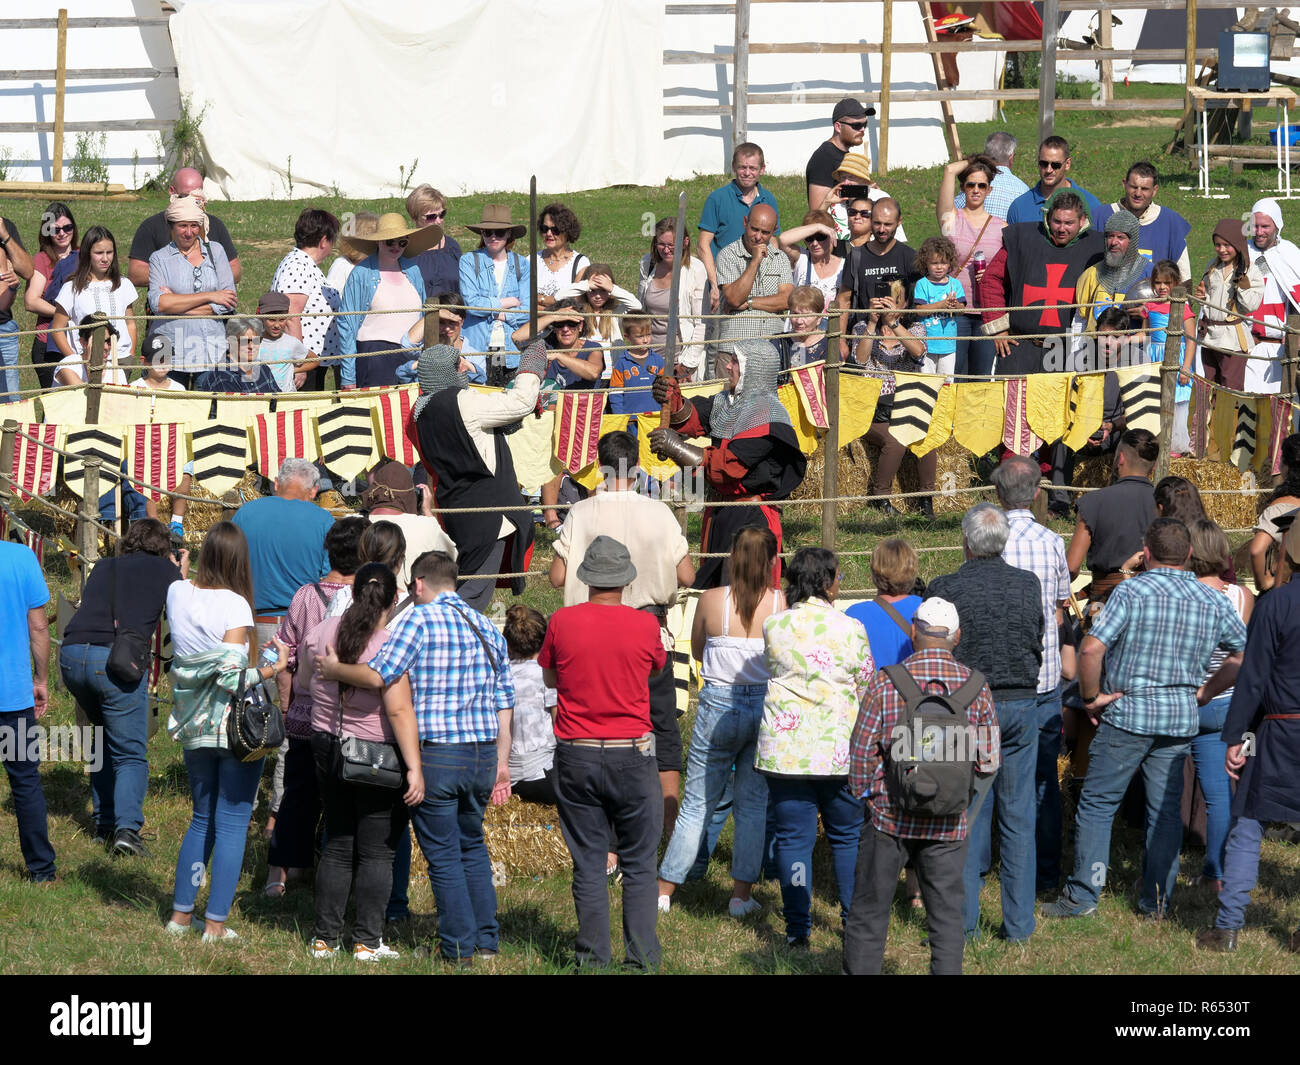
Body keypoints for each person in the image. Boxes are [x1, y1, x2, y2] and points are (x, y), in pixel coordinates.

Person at [1042, 518, 1247, 921]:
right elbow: (1241, 655)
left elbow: (1090, 650)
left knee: (1099, 804)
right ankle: (1156, 902)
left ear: (1146, 553)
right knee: (1165, 812)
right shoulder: (1213, 599)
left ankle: (1084, 894)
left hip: (1128, 714)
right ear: (1189, 554)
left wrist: (1090, 698)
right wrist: (1205, 692)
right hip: (1178, 718)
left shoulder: (1132, 592)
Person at [317, 549, 513, 966]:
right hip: (481, 754)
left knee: (442, 855)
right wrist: (502, 761)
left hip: (440, 753)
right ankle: (486, 941)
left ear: (419, 584)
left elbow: (378, 674)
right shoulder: (487, 626)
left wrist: (335, 672)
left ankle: (456, 947)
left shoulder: (418, 621)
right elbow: (505, 700)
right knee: (472, 847)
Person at [843, 597, 1000, 974]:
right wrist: (962, 802)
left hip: (888, 820)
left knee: (868, 913)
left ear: (914, 632)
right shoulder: (977, 688)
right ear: (957, 637)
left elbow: (862, 752)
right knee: (946, 920)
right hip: (948, 824)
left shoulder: (886, 681)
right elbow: (990, 760)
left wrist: (870, 798)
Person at [551, 430, 694, 838]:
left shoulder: (581, 513)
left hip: (589, 632)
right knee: (660, 721)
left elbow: (558, 575)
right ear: (636, 470)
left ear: (600, 465)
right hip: (646, 630)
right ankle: (667, 822)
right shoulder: (658, 513)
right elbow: (686, 574)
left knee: (597, 719)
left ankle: (604, 829)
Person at [539, 535, 667, 970]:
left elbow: (552, 678)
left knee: (589, 861)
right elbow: (655, 667)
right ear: (625, 581)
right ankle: (643, 958)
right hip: (632, 751)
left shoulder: (562, 621)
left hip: (577, 751)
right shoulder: (645, 625)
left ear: (587, 578)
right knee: (639, 861)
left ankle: (592, 958)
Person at [926, 503, 1042, 942]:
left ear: (966, 541)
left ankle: (963, 924)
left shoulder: (946, 587)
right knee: (1018, 816)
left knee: (966, 815)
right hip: (1019, 703)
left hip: (967, 705)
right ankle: (1019, 926)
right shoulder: (1028, 585)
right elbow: (1037, 638)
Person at [166, 521, 285, 943]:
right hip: (234, 730)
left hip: (193, 723)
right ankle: (215, 922)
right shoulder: (236, 605)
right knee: (232, 824)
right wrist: (273, 666)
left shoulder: (177, 593)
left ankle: (181, 917)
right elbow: (234, 678)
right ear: (239, 561)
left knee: (201, 820)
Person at [300, 562, 425, 962]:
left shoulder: (322, 632)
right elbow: (400, 711)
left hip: (326, 744)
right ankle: (368, 940)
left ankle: (324, 938)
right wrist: (415, 767)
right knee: (377, 851)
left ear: (353, 595)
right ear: (393, 600)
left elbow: (304, 682)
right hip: (375, 754)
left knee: (337, 842)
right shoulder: (390, 643)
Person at [658, 527, 782, 918]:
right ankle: (740, 895)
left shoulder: (712, 600)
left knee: (696, 803)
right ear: (772, 563)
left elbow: (697, 648)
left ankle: (664, 890)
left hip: (717, 704)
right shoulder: (781, 603)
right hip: (763, 704)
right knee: (751, 805)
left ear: (732, 557)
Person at [755, 547, 871, 948]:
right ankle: (852, 921)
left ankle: (796, 927)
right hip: (839, 749)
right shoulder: (851, 628)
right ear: (827, 581)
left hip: (786, 751)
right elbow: (864, 684)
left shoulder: (775, 625)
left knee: (793, 839)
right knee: (846, 837)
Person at [1195, 522, 1300, 952]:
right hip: (1280, 722)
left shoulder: (1277, 603)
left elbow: (1253, 677)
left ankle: (1228, 927)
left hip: (1279, 730)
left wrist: (1235, 736)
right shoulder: (1273, 603)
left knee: (1247, 823)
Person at [59, 518, 184, 855]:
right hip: (114, 660)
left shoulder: (104, 565)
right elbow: (184, 609)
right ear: (163, 547)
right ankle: (127, 831)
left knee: (99, 741)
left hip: (72, 654)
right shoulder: (166, 572)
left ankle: (104, 825)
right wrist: (180, 570)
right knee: (129, 752)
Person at [262, 514, 366, 898]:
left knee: (296, 796)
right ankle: (344, 879)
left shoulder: (306, 595)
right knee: (349, 802)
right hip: (355, 718)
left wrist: (288, 706)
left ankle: (279, 874)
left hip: (307, 716)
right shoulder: (369, 599)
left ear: (329, 551)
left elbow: (285, 658)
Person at [650, 339, 807, 589]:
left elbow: (729, 468)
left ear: (754, 369)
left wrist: (676, 447)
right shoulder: (727, 402)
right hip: (720, 512)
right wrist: (672, 398)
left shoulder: (767, 415)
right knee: (714, 591)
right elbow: (692, 418)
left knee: (750, 594)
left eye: (736, 362)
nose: (728, 367)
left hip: (752, 520)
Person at [412, 342, 545, 612]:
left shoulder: (419, 411)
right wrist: (531, 366)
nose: (465, 366)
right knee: (471, 596)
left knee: (461, 584)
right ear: (444, 372)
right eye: (458, 363)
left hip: (456, 509)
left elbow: (472, 433)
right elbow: (520, 402)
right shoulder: (464, 401)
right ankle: (449, 640)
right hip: (487, 514)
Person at [993, 455, 1072, 894]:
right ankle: (1044, 873)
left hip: (997, 677)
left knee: (985, 772)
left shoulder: (987, 537)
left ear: (998, 495)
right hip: (1042, 678)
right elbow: (1061, 608)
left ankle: (986, 861)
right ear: (1038, 494)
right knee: (1043, 778)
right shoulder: (1052, 542)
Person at [1185, 518, 1253, 895]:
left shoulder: (1182, 594)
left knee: (1163, 788)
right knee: (1219, 795)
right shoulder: (1242, 597)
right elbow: (1237, 651)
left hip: (1187, 698)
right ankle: (1216, 872)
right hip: (1225, 700)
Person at [978, 188, 1105, 376]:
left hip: (1070, 352)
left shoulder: (1097, 248)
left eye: (1069, 223)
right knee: (1015, 405)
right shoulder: (1023, 238)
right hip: (1019, 348)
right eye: (1057, 221)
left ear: (1082, 220)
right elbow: (991, 280)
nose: (1062, 229)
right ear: (1048, 217)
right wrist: (998, 329)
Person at [850, 279, 936, 516]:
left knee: (925, 436)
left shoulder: (915, 328)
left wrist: (894, 323)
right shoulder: (860, 327)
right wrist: (872, 322)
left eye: (895, 300)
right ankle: (880, 498)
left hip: (905, 405)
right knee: (895, 440)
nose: (889, 305)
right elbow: (860, 361)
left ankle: (926, 498)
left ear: (906, 303)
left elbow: (919, 353)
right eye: (884, 299)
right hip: (872, 409)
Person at [231, 457, 334, 653]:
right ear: (314, 490)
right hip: (301, 627)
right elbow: (329, 580)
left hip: (250, 624)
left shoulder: (245, 513)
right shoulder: (324, 520)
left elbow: (226, 565)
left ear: (276, 484)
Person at [0, 537, 56, 885]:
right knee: (24, 780)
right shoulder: (21, 557)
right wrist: (42, 679)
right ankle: (41, 870)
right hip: (12, 692)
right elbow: (38, 626)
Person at [334, 213, 437, 390]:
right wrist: (348, 377)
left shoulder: (413, 270)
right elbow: (347, 324)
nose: (396, 246)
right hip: (374, 357)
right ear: (378, 241)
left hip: (411, 356)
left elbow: (422, 315)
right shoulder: (361, 273)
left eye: (402, 242)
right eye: (390, 241)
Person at [145, 196, 237, 388]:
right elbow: (159, 304)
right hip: (170, 349)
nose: (189, 232)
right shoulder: (159, 259)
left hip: (210, 350)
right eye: (182, 226)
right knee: (169, 408)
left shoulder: (216, 251)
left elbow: (228, 301)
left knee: (208, 409)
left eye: (194, 226)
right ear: (172, 226)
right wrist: (210, 295)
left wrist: (176, 304)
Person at [1065, 428, 1159, 595]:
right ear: (1155, 465)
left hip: (1105, 604)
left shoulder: (1093, 502)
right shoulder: (1167, 503)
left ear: (1120, 458)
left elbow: (1071, 568)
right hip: (1155, 605)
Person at [938, 153, 1006, 377]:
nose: (976, 190)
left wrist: (991, 274)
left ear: (989, 190)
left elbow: (1007, 270)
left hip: (987, 312)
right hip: (955, 310)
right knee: (953, 375)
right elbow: (949, 170)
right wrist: (981, 162)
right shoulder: (952, 221)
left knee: (981, 377)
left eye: (982, 185)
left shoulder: (1002, 227)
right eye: (971, 184)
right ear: (963, 188)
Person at [698, 142, 780, 325]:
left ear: (762, 170)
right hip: (725, 279)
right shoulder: (717, 198)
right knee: (718, 339)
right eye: (743, 167)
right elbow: (703, 245)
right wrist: (714, 284)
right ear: (734, 167)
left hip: (757, 280)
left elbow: (773, 241)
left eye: (753, 168)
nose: (747, 173)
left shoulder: (769, 200)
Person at [128, 167, 241, 287]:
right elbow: (136, 274)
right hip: (170, 302)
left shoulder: (215, 225)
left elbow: (235, 270)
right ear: (172, 192)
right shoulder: (151, 226)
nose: (191, 202)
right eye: (186, 196)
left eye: (197, 198)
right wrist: (183, 276)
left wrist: (203, 278)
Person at [49, 226, 139, 375]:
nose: (105, 258)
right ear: (87, 254)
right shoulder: (71, 288)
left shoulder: (123, 284)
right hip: (87, 361)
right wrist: (74, 359)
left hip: (120, 360)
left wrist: (131, 353)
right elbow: (57, 329)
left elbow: (130, 323)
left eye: (109, 252)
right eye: (99, 253)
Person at [458, 204, 531, 384]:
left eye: (499, 233)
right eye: (487, 232)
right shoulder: (468, 261)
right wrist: (506, 302)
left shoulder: (522, 264)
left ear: (508, 234)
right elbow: (471, 304)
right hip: (476, 348)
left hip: (511, 347)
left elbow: (528, 310)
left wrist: (501, 313)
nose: (493, 237)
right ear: (481, 233)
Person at [269, 207, 341, 390]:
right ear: (324, 240)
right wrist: (299, 364)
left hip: (313, 360)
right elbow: (291, 316)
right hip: (305, 363)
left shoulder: (303, 264)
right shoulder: (298, 267)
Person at [836, 197, 915, 363]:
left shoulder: (909, 256)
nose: (881, 229)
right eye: (877, 223)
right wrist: (841, 339)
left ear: (899, 222)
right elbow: (843, 300)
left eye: (888, 224)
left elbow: (916, 301)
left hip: (899, 339)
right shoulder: (856, 256)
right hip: (864, 334)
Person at [358, 460, 457, 588]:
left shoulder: (353, 524)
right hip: (410, 603)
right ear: (410, 496)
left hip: (361, 601)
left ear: (373, 492)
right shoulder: (426, 526)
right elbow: (450, 558)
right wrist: (427, 512)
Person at [714, 204, 794, 359]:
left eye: (765, 232)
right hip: (733, 350)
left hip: (771, 349)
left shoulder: (780, 258)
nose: (758, 237)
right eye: (754, 229)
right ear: (745, 222)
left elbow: (787, 300)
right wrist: (755, 261)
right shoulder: (727, 255)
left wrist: (749, 302)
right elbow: (734, 298)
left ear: (774, 231)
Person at [1194, 219, 1264, 394]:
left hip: (1232, 340)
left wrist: (1241, 283)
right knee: (1209, 389)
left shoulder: (1251, 270)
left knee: (1231, 392)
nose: (1222, 249)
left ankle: (1231, 423)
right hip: (1209, 336)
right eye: (1218, 245)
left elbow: (1250, 305)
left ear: (1237, 244)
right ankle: (1211, 422)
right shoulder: (1213, 266)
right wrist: (1202, 296)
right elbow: (1210, 298)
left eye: (1227, 245)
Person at [1093, 161, 1193, 280]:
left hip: (1153, 297)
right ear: (1124, 184)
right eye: (1134, 187)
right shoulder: (1100, 217)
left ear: (1154, 190)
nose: (1138, 193)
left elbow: (1183, 275)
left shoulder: (1170, 223)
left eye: (1144, 189)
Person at [637, 217, 708, 381]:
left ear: (685, 242)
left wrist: (686, 365)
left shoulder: (696, 269)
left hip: (680, 360)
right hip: (649, 358)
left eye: (671, 245)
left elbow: (702, 323)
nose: (666, 250)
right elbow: (640, 309)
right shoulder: (647, 263)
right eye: (661, 244)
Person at [1243, 198, 1300, 394]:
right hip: (1247, 347)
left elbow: (1297, 301)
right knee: (1246, 411)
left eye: (1265, 226)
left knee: (1283, 412)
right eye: (1255, 226)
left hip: (1281, 349)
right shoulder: (1241, 253)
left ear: (1277, 225)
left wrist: (1294, 335)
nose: (1259, 232)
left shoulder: (1290, 255)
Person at [502, 604, 557, 804]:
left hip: (506, 777)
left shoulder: (500, 676)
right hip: (542, 773)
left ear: (508, 643)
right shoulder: (547, 675)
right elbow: (557, 719)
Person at [23, 201, 78, 389]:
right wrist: (64, 314)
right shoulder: (42, 260)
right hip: (48, 344)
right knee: (54, 405)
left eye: (67, 227)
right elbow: (31, 301)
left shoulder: (84, 256)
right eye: (56, 230)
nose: (62, 233)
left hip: (79, 343)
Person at [1071, 209, 1153, 331]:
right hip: (1093, 347)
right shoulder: (1091, 274)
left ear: (1132, 241)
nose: (1114, 242)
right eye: (1110, 236)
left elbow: (1170, 318)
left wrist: (1150, 315)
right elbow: (1080, 321)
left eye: (1120, 237)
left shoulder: (1152, 274)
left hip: (1133, 348)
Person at [1145, 260, 1197, 454]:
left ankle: (1176, 447)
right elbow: (1144, 334)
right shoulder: (1149, 306)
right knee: (1157, 400)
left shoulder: (1183, 306)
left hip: (1178, 357)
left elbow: (1191, 340)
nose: (1162, 287)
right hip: (1155, 357)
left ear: (1176, 283)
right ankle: (1159, 444)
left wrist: (1186, 368)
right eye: (1158, 283)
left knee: (1176, 402)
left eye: (1167, 283)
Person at [1004, 135, 1101, 225]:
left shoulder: (1090, 205)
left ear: (1067, 164)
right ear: (1038, 162)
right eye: (1044, 163)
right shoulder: (1019, 207)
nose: (1049, 170)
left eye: (1055, 165)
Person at [805, 97, 875, 212]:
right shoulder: (824, 158)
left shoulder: (845, 156)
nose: (862, 129)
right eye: (856, 125)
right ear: (838, 127)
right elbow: (816, 212)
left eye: (865, 124)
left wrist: (868, 191)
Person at [1249, 433, 1300, 593]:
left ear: (1287, 466)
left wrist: (1263, 583)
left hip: (1285, 590)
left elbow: (1256, 549)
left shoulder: (1279, 508)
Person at [911, 236, 966, 376]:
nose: (939, 267)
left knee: (946, 381)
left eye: (943, 262)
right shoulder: (922, 284)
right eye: (934, 263)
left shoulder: (955, 284)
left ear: (950, 263)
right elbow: (919, 310)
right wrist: (942, 304)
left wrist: (955, 305)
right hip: (926, 345)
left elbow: (962, 309)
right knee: (927, 381)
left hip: (948, 344)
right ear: (925, 263)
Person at [777, 210, 843, 323]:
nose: (815, 243)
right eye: (809, 238)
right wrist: (817, 227)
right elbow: (783, 240)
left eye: (821, 237)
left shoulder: (844, 265)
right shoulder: (802, 258)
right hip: (798, 327)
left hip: (829, 332)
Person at [952, 131, 1030, 221]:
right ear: (1011, 157)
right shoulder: (1024, 190)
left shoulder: (973, 184)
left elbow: (953, 212)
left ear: (984, 154)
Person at [196, 316, 280, 395]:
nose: (251, 346)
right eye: (245, 341)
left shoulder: (263, 368)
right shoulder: (223, 376)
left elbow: (280, 401)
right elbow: (236, 409)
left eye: (256, 340)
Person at [404, 184, 462, 297]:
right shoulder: (404, 250)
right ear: (414, 217)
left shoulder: (452, 247)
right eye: (431, 217)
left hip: (452, 313)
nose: (439, 221)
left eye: (442, 214)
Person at [534, 202, 590, 309]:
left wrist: (540, 300)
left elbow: (573, 303)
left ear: (567, 231)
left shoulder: (580, 263)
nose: (549, 234)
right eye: (545, 229)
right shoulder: (532, 260)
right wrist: (552, 304)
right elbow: (524, 300)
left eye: (555, 230)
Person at [255, 291, 314, 392]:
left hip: (286, 397)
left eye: (282, 320)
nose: (277, 325)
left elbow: (314, 360)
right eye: (272, 320)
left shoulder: (291, 342)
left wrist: (292, 370)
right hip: (262, 396)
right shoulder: (253, 342)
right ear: (261, 317)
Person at [0, 214, 32, 402]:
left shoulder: (5, 225)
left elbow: (27, 271)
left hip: (3, 330)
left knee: (10, 402)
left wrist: (5, 236)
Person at [607, 315, 665, 415]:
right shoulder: (621, 363)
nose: (645, 340)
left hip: (656, 417)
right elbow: (615, 394)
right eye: (640, 336)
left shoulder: (658, 360)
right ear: (627, 337)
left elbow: (666, 390)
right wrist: (620, 417)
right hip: (630, 419)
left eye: (648, 335)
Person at [780, 286, 828, 371]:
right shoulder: (779, 343)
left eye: (805, 316)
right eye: (795, 314)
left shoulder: (829, 345)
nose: (799, 321)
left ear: (819, 319)